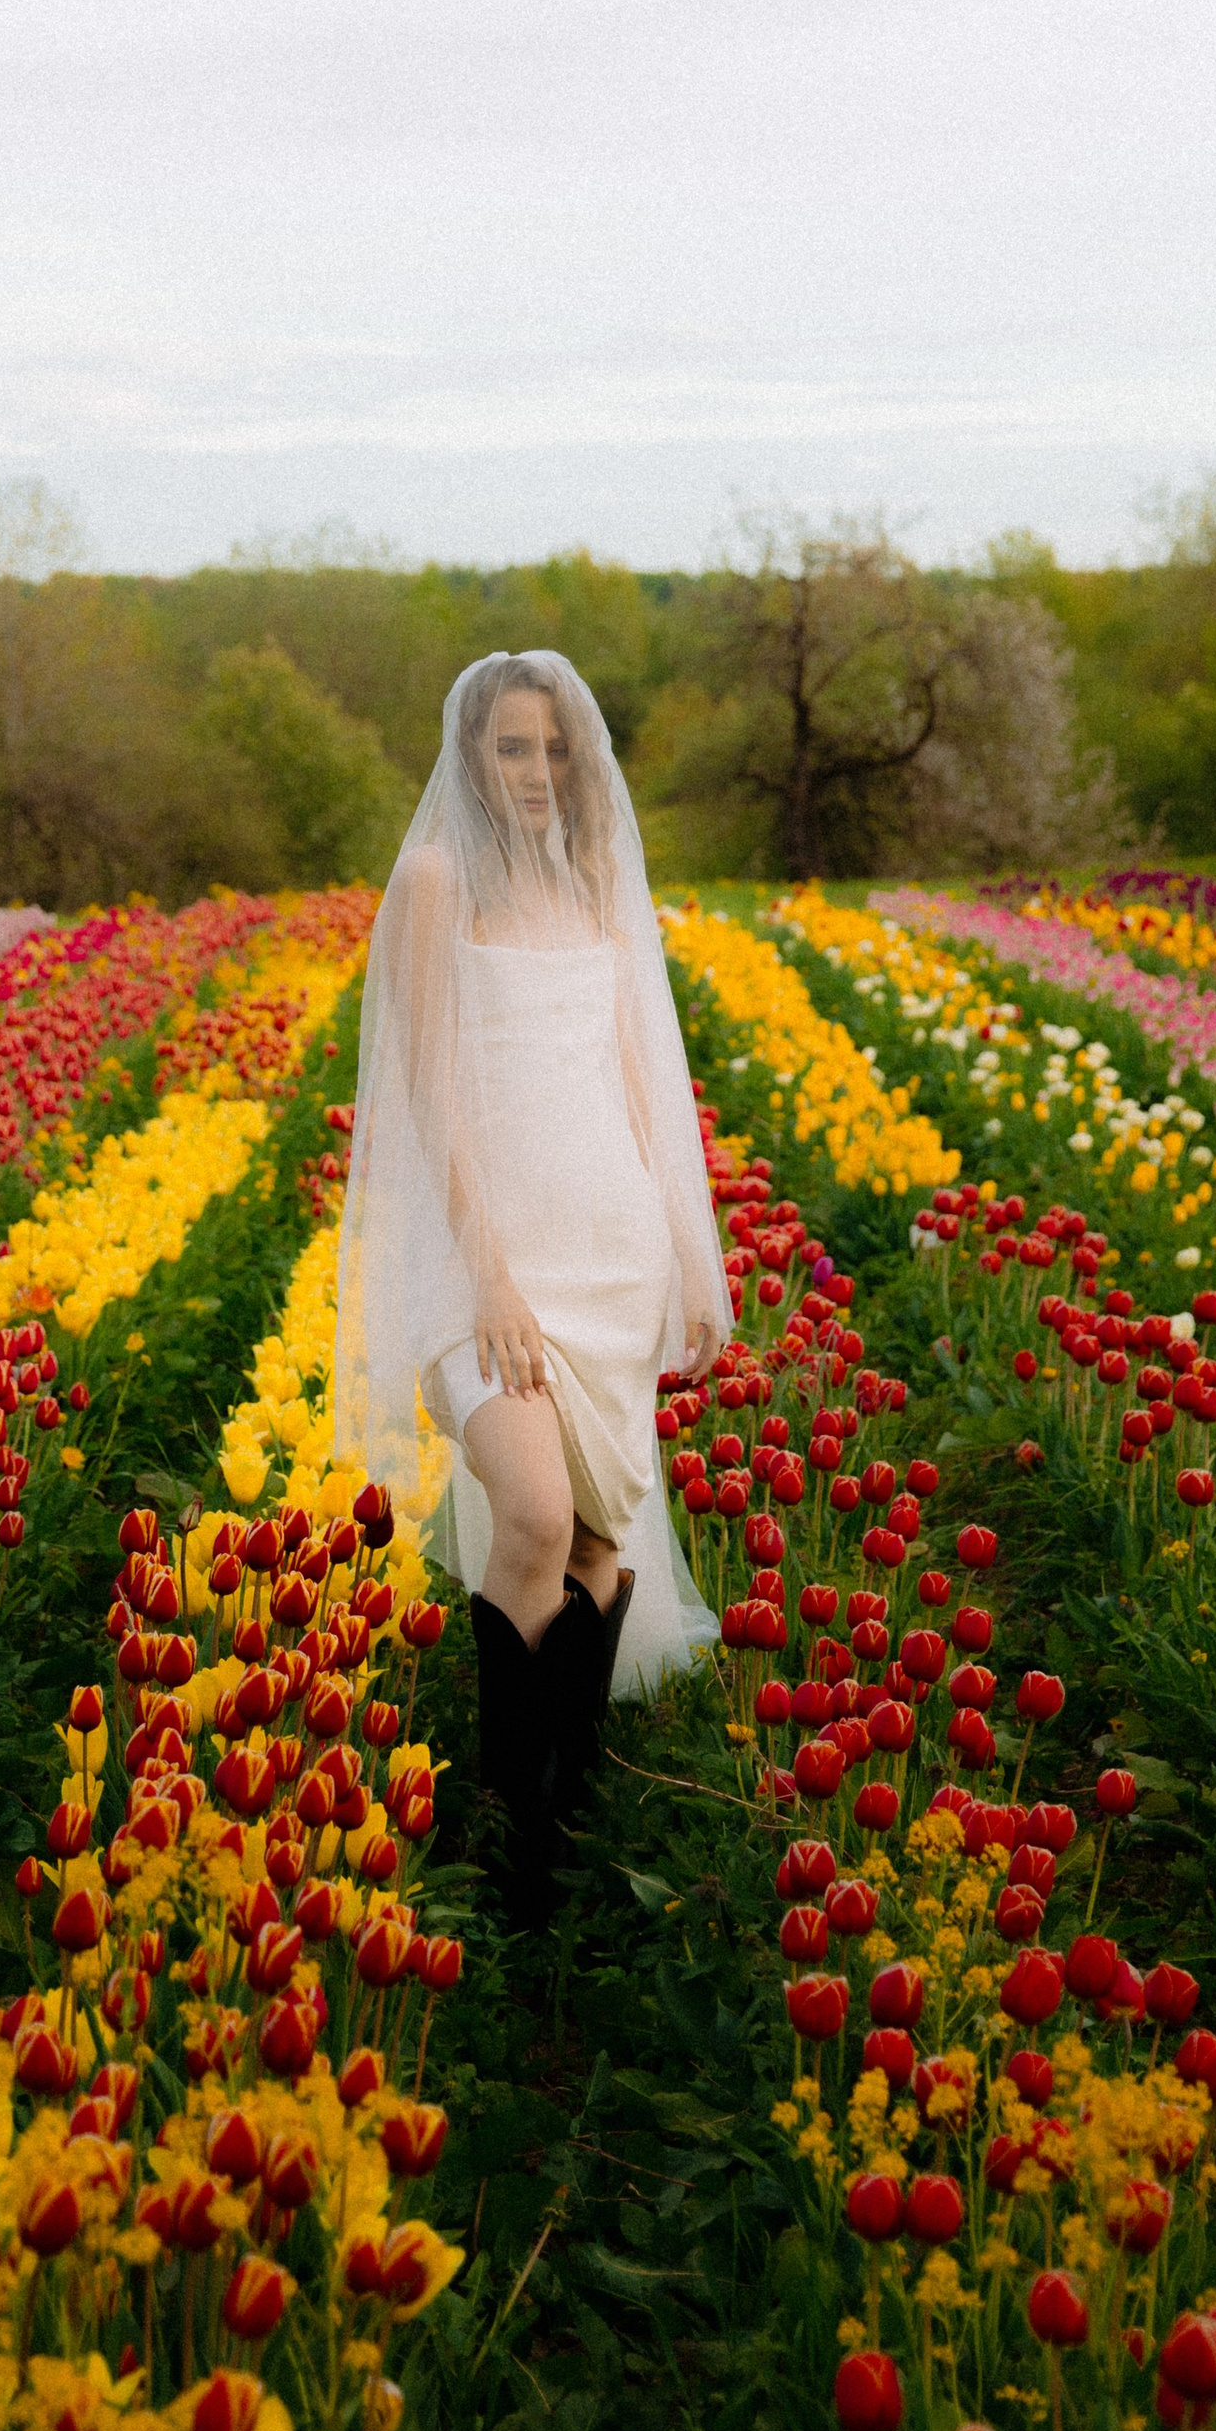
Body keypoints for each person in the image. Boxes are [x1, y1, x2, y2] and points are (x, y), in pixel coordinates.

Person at [332, 650, 732, 1925]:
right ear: (470, 757)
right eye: (513, 748)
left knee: (606, 1541)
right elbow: (426, 1096)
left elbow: (635, 1085)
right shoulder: (436, 883)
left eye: (557, 749)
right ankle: (504, 1815)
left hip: (609, 1251)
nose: (540, 773)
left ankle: (564, 1809)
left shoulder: (594, 881)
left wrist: (685, 1253)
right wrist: (490, 1274)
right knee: (538, 1519)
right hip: (484, 1265)